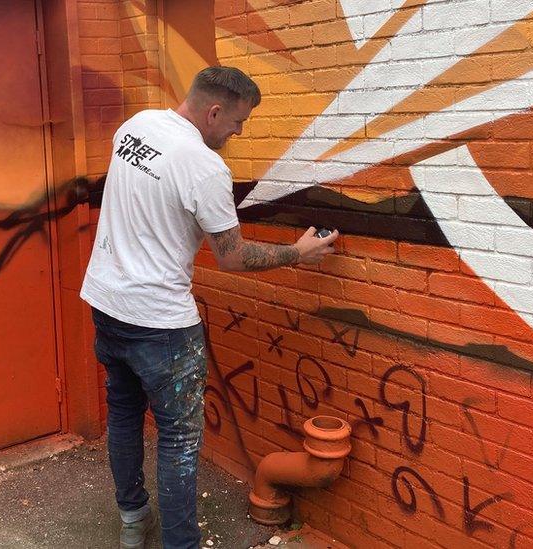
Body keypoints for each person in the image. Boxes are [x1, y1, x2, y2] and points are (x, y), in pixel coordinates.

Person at [80, 66, 339, 549]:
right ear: (214, 111)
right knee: (179, 442)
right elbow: (233, 257)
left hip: (106, 302)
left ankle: (133, 522)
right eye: (238, 122)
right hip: (160, 323)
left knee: (123, 413)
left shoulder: (135, 127)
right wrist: (299, 254)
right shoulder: (204, 166)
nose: (239, 132)